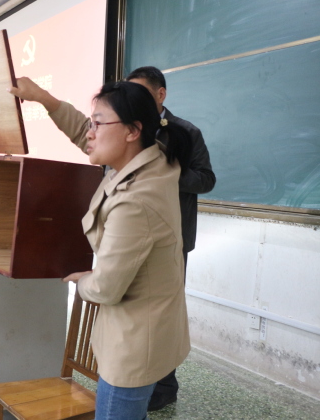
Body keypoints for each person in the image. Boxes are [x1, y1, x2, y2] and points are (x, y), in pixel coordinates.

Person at [9, 79, 191, 419]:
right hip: (148, 326)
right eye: (91, 122)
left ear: (132, 130)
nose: (89, 132)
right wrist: (44, 98)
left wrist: (82, 280)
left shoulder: (136, 200)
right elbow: (85, 134)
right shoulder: (149, 158)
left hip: (134, 343)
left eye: (98, 123)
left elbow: (106, 288)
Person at [126, 66, 216, 411]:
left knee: (163, 316)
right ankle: (132, 377)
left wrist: (168, 171)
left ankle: (163, 388)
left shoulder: (185, 132)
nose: (133, 100)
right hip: (130, 236)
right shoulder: (128, 130)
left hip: (171, 241)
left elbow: (206, 180)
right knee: (133, 312)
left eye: (141, 92)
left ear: (160, 94)